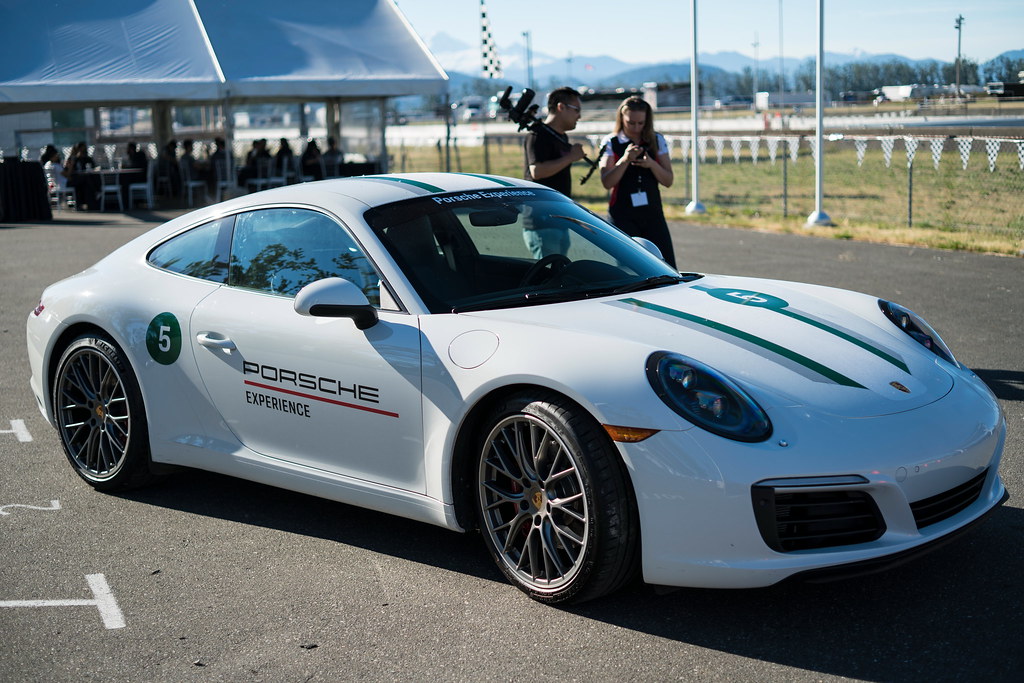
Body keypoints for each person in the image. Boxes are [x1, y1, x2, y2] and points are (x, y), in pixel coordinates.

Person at [599, 96, 676, 268]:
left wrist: (651, 164)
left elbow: (668, 180)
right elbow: (606, 182)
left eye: (641, 123)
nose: (636, 128)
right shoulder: (611, 141)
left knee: (666, 265)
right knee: (628, 268)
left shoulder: (656, 140)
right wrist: (625, 160)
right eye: (631, 123)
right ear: (621, 119)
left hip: (652, 212)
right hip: (622, 214)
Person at [521, 87, 586, 257]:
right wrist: (570, 157)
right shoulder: (538, 134)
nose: (579, 116)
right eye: (576, 110)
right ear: (561, 107)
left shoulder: (561, 136)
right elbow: (537, 171)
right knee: (550, 275)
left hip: (559, 220)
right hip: (542, 222)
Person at [63, 141, 97, 210]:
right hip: (73, 179)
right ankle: (95, 193)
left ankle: (90, 203)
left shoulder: (87, 159)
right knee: (86, 180)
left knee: (86, 183)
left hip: (82, 178)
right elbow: (67, 172)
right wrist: (73, 161)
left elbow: (93, 167)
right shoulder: (72, 159)